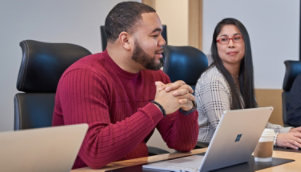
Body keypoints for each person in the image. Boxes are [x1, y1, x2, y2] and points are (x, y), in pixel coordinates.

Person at [52, 2, 198, 169]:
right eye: (154, 35)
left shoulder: (157, 77)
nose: (163, 42)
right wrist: (157, 108)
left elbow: (183, 144)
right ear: (126, 40)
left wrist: (186, 111)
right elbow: (96, 152)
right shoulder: (83, 76)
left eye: (162, 34)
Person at [195, 18, 301, 150]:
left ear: (245, 43)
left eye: (236, 38)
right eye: (224, 39)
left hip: (234, 151)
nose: (231, 44)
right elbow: (227, 133)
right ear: (216, 46)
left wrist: (288, 131)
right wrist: (275, 139)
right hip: (205, 152)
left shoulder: (240, 78)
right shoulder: (214, 80)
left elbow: (256, 126)